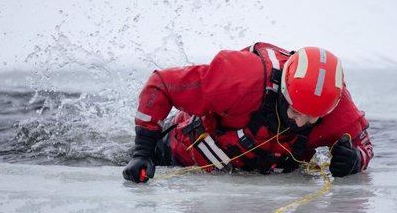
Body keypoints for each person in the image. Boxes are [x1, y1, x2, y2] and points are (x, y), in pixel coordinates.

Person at [122, 43, 373, 182]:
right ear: (284, 89)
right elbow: (161, 85)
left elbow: (365, 149)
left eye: (313, 117)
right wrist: (142, 152)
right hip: (173, 155)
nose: (301, 122)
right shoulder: (242, 79)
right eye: (296, 111)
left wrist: (352, 160)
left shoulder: (338, 109)